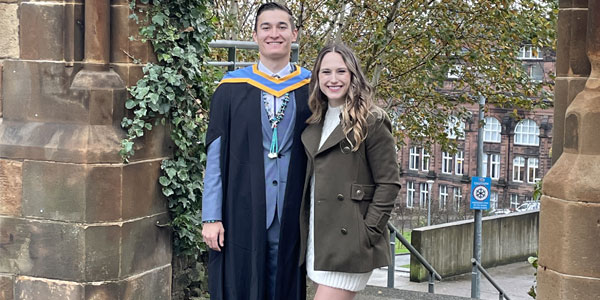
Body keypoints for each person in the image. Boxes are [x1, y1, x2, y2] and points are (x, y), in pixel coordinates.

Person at [201, 2, 311, 300]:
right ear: (255, 35)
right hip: (242, 207)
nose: (274, 34)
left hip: (293, 208)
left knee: (286, 284)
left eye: (281, 27)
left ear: (294, 34)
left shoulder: (312, 88)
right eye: (266, 27)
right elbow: (215, 156)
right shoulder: (230, 88)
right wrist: (211, 216)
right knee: (241, 282)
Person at [299, 43, 401, 300]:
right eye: (325, 72)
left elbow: (388, 184)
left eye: (341, 71)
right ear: (317, 77)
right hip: (319, 238)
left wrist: (366, 233)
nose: (333, 79)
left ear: (353, 75)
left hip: (349, 240)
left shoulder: (372, 120)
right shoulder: (316, 119)